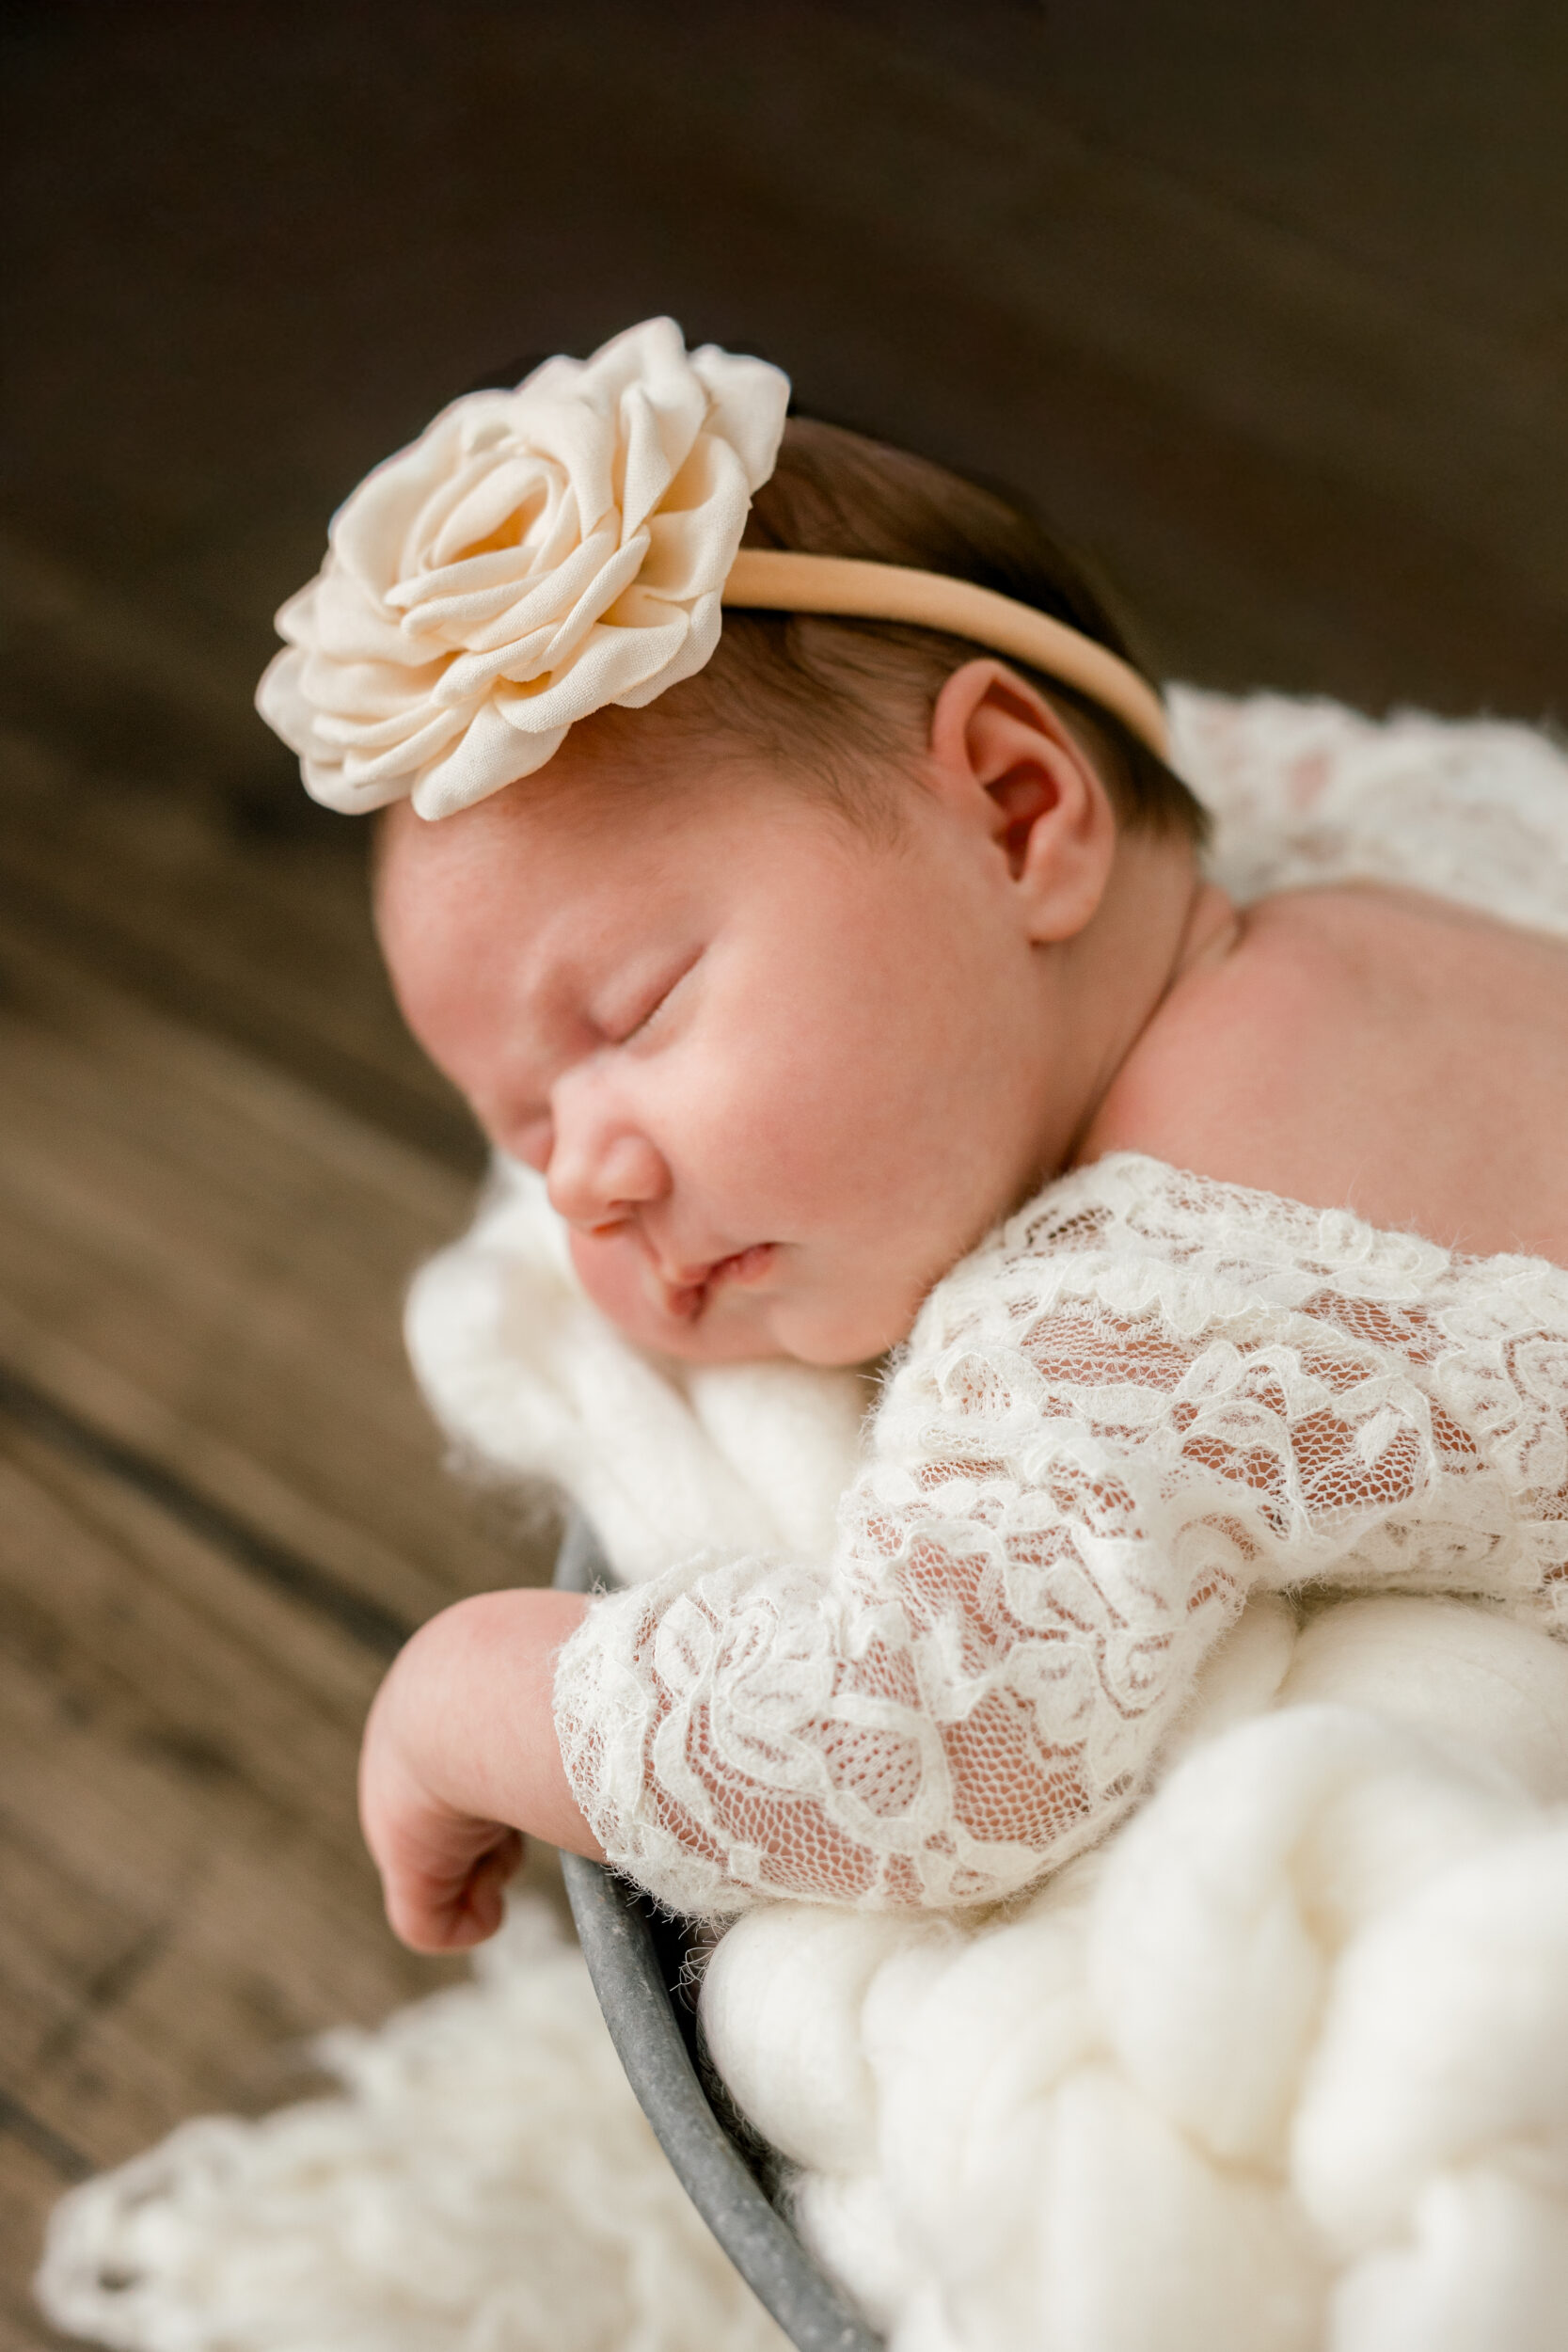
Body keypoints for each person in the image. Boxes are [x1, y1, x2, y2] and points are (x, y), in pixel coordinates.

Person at [257, 320, 1568, 1954]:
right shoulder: (1389, 839)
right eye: (523, 1131)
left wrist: (465, 1695)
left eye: (639, 1013)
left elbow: (922, 1743)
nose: (578, 1182)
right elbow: (1168, 729)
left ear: (1022, 815)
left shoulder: (1122, 1315)